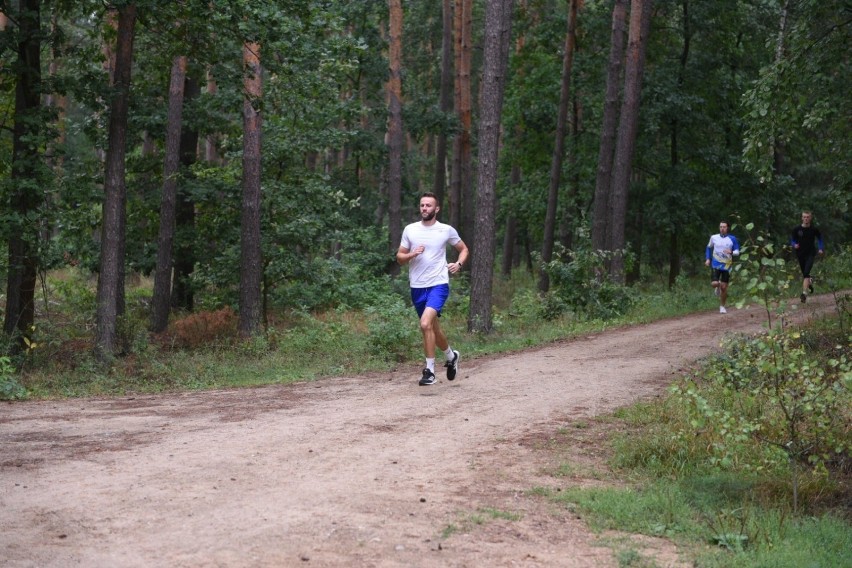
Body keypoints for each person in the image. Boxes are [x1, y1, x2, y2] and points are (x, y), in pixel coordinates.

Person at [397, 192, 469, 386]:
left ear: (436, 209)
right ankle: (451, 356)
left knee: (424, 324)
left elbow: (464, 249)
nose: (424, 209)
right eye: (422, 205)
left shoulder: (445, 230)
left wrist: (459, 264)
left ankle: (429, 371)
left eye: (428, 206)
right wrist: (412, 254)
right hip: (417, 287)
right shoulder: (410, 230)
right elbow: (399, 257)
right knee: (432, 328)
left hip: (438, 284)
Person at [705, 221, 740, 314]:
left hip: (727, 265)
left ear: (727, 228)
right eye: (720, 227)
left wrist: (731, 252)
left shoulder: (732, 239)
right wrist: (708, 258)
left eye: (724, 227)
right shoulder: (714, 237)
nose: (722, 228)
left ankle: (722, 306)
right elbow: (708, 247)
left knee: (724, 288)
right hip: (715, 264)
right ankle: (718, 286)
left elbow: (737, 251)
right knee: (714, 283)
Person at [791, 210, 824, 303]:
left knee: (806, 273)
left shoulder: (814, 229)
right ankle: (810, 281)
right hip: (800, 254)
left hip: (810, 254)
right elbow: (792, 240)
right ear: (802, 218)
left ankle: (804, 294)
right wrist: (794, 245)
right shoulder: (796, 229)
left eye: (807, 217)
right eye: (804, 217)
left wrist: (820, 248)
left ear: (810, 218)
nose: (806, 218)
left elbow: (820, 239)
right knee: (805, 275)